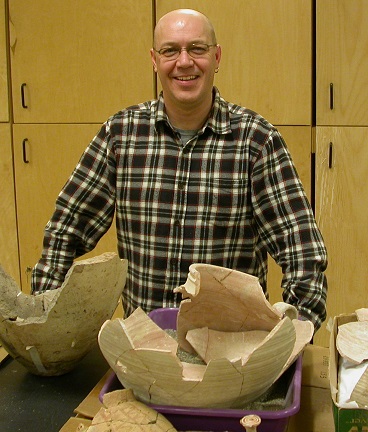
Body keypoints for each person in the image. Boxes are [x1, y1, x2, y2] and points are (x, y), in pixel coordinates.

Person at [31, 8, 327, 331]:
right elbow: (65, 229)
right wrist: (43, 320)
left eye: (197, 49)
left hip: (229, 360)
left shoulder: (256, 141)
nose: (184, 62)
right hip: (142, 351)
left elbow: (303, 253)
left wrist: (296, 338)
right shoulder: (121, 135)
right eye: (170, 50)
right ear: (154, 60)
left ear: (216, 57)